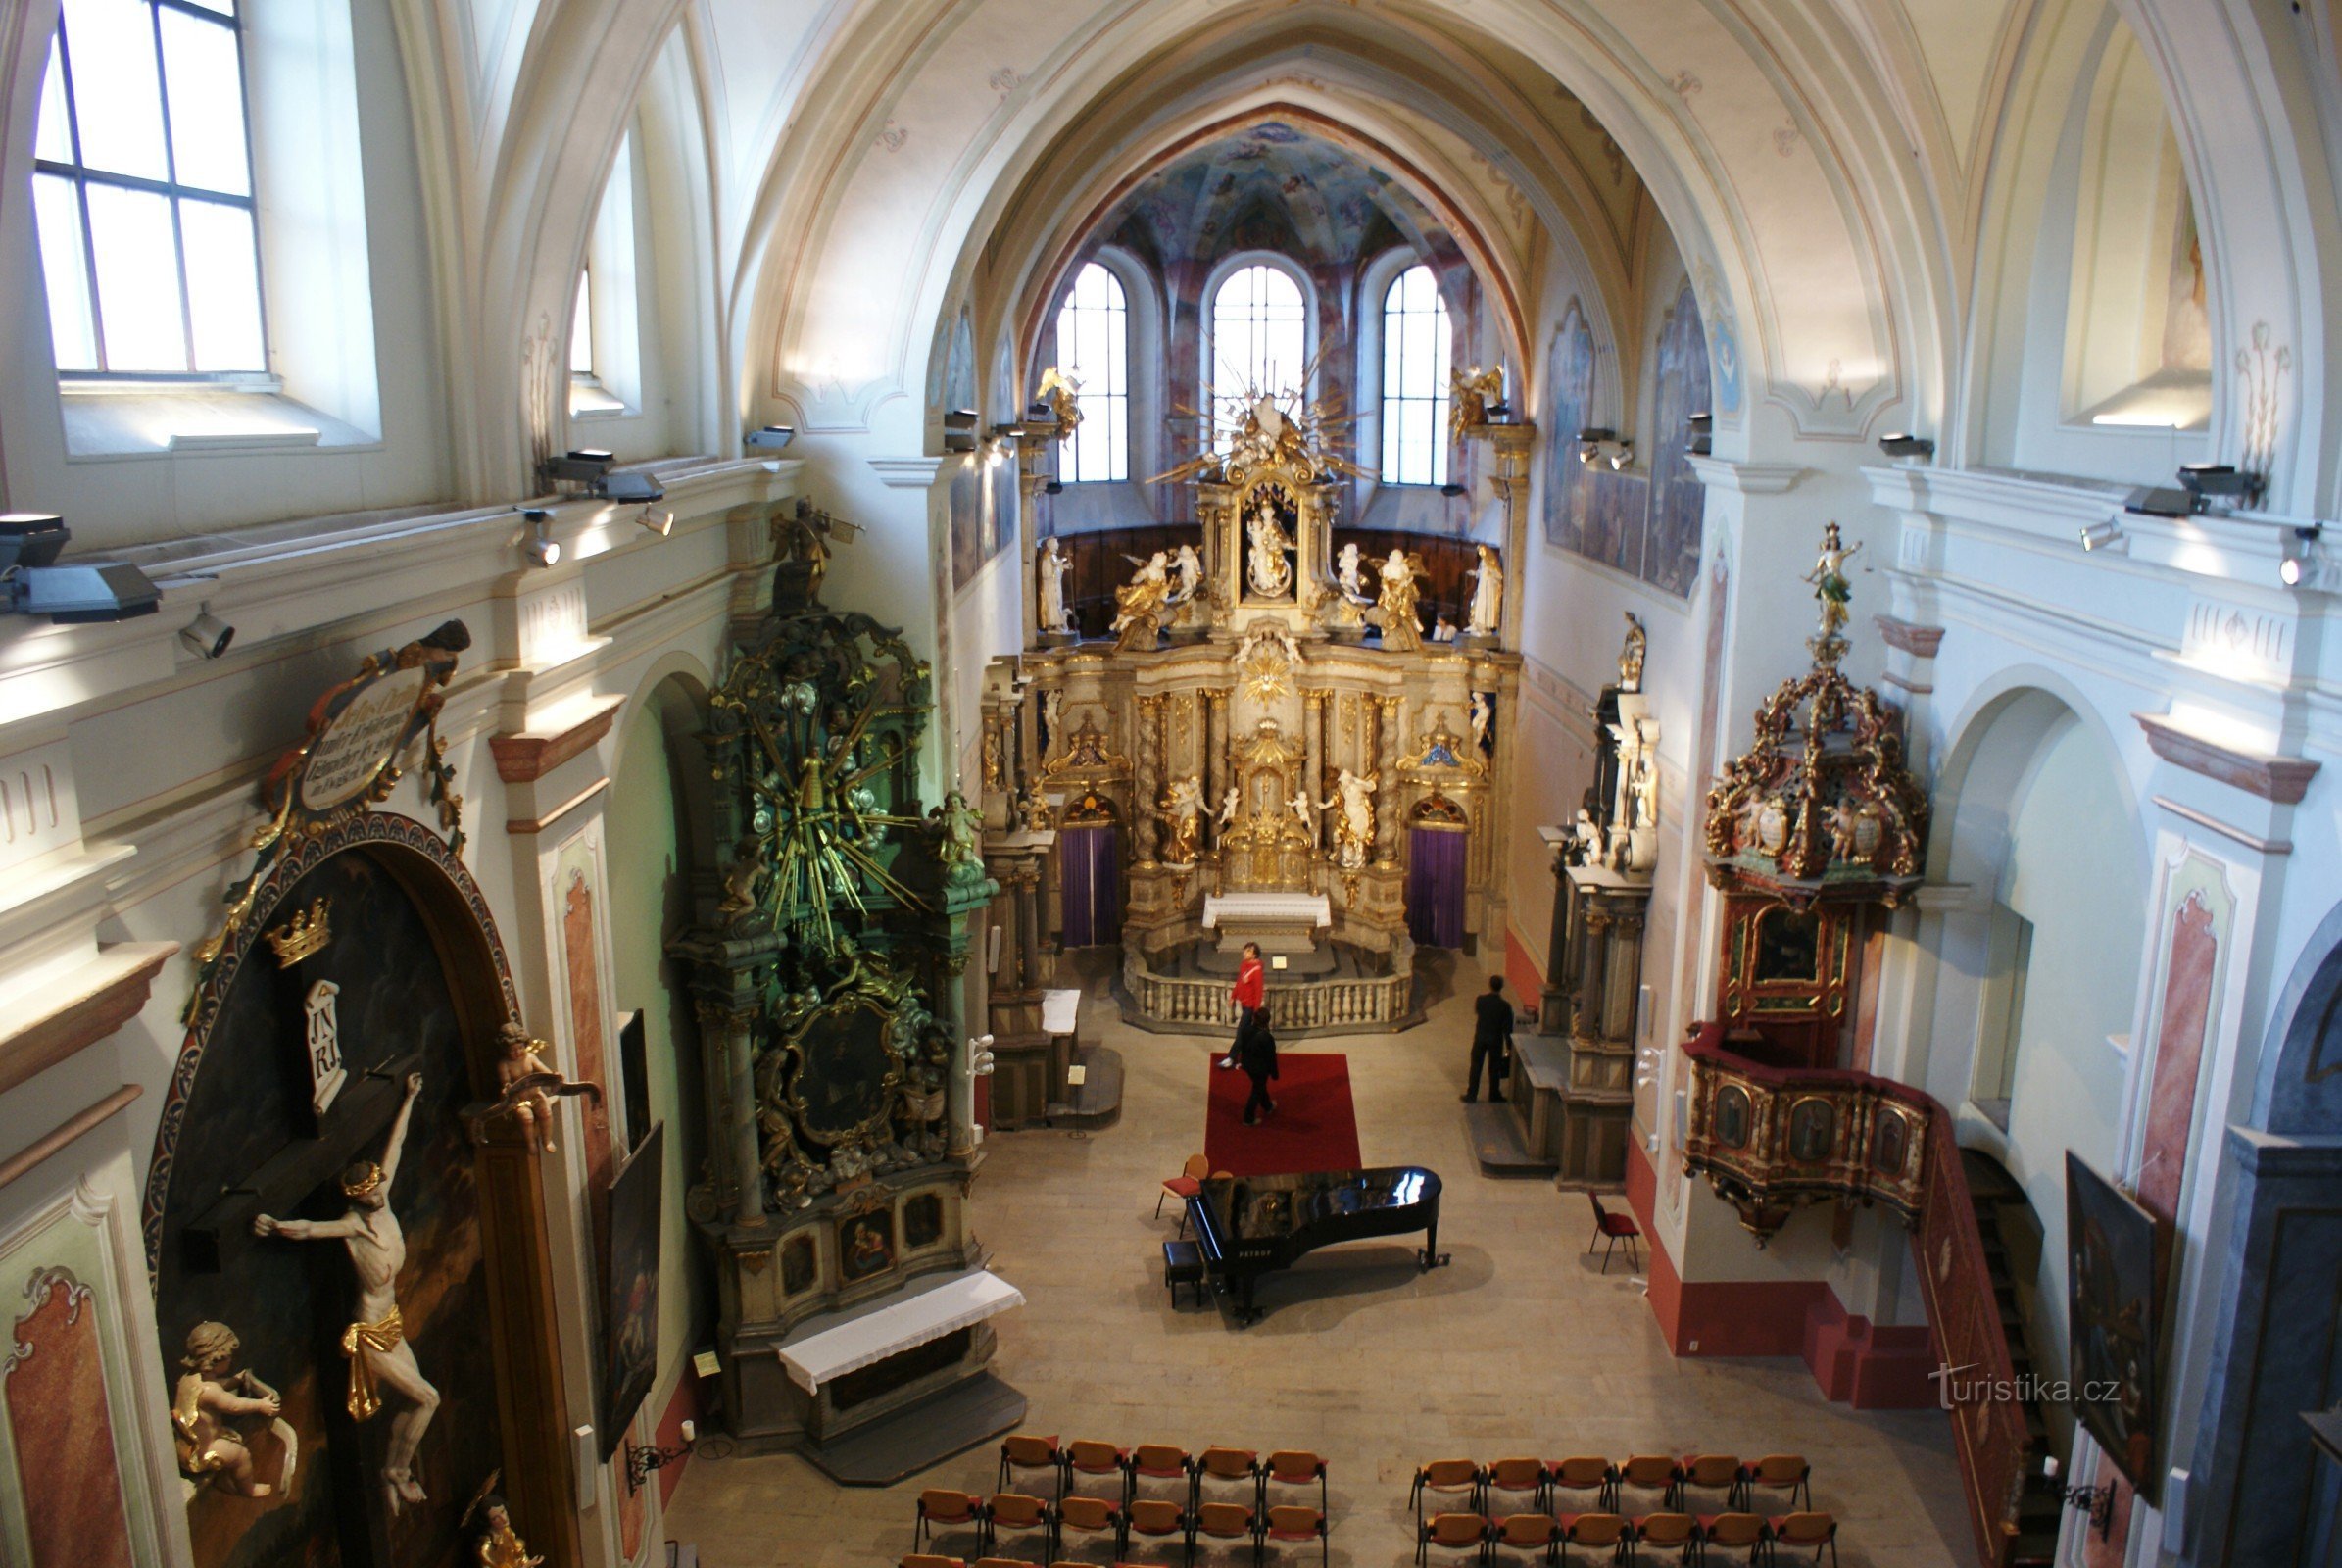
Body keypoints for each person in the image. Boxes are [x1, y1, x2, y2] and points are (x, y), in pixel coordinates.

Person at [1462, 974, 1516, 1102]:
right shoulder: (1505, 1006)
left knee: (1476, 1066)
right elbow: (1507, 1028)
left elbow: (1478, 1012)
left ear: (1489, 985)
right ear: (1501, 987)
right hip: (1495, 1040)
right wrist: (1509, 1046)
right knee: (1494, 1068)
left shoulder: (1480, 1000)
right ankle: (1494, 1094)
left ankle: (1471, 1094)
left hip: (1480, 1037)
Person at [1221, 941, 1265, 1071]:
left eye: (1248, 951)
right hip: (1244, 1004)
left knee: (1241, 1033)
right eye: (1245, 950)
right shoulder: (1244, 965)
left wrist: (1256, 1012)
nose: (1244, 953)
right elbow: (1239, 982)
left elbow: (1258, 991)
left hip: (1251, 1007)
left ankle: (1231, 1058)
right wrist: (1233, 996)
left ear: (1255, 955)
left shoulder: (1256, 971)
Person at [1240, 1013, 1279, 1126]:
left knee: (1260, 1086)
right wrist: (1274, 1073)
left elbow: (1243, 1047)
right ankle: (1248, 1118)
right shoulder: (1266, 1037)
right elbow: (1271, 1057)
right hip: (1260, 1069)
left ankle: (1268, 1106)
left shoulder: (1246, 1030)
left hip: (1247, 1065)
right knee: (1257, 1091)